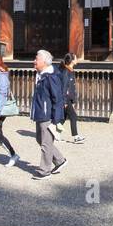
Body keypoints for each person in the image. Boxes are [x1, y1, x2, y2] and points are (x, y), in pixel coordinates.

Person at [30, 49, 67, 180]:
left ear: (44, 62)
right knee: (40, 139)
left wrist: (56, 119)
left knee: (45, 143)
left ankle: (45, 170)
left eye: (36, 59)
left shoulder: (51, 76)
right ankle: (59, 160)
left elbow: (57, 98)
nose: (34, 61)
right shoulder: (41, 74)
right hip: (41, 111)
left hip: (47, 114)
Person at [55, 53, 83, 142]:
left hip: (67, 98)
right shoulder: (66, 72)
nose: (77, 59)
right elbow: (64, 87)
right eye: (76, 58)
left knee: (63, 117)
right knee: (73, 116)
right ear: (72, 60)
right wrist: (65, 102)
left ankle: (56, 134)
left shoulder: (69, 70)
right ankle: (76, 136)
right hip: (65, 98)